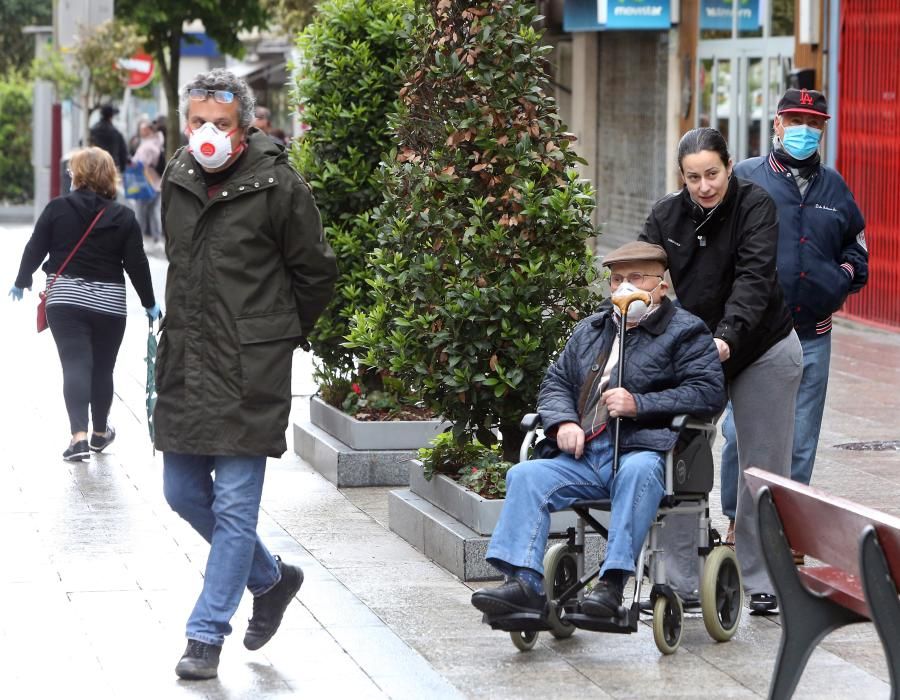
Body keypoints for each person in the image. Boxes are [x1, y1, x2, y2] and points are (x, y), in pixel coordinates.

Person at [155, 69, 337, 680]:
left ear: (246, 125)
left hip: (248, 367)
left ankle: (205, 635)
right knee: (180, 492)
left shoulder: (279, 185)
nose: (208, 134)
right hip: (188, 361)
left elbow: (315, 272)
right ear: (186, 123)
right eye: (198, 121)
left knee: (235, 508)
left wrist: (275, 335)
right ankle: (272, 578)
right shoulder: (177, 178)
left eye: (222, 124)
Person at [470, 241, 726, 619]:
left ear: (661, 286)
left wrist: (639, 403)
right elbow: (555, 383)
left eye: (636, 278)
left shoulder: (686, 332)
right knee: (526, 475)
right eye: (617, 279)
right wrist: (562, 422)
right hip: (585, 453)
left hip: (644, 450)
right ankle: (525, 582)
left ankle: (611, 584)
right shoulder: (591, 329)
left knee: (638, 472)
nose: (625, 287)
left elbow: (707, 391)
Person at [639, 127, 803, 615]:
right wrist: (637, 303)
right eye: (694, 177)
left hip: (760, 347)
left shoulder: (756, 206)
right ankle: (678, 580)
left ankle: (761, 578)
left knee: (761, 468)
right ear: (682, 178)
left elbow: (755, 278)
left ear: (730, 167)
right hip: (697, 351)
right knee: (681, 459)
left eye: (713, 173)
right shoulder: (665, 216)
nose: (705, 185)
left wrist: (727, 336)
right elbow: (644, 274)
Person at [717, 90, 869, 552]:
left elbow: (857, 252)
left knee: (800, 440)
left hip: (812, 334)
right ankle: (735, 519)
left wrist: (836, 279)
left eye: (814, 122)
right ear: (777, 125)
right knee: (738, 433)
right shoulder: (745, 177)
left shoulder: (835, 188)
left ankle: (788, 528)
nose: (805, 129)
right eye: (795, 120)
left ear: (823, 129)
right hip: (753, 335)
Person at [9, 147, 158, 460]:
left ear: (78, 175)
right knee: (102, 369)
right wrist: (149, 302)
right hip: (109, 303)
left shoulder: (57, 208)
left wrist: (22, 281)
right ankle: (100, 434)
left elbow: (35, 248)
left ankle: (78, 438)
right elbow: (136, 263)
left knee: (75, 364)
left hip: (65, 299)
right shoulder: (123, 216)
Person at [131, 120, 164, 244]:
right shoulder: (158, 142)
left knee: (140, 212)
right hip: (156, 183)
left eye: (143, 130)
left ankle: (138, 240)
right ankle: (157, 238)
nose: (141, 132)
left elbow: (140, 164)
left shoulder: (147, 146)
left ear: (149, 130)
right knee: (154, 211)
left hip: (145, 182)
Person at [89, 104, 129, 173]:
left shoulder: (93, 131)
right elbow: (123, 152)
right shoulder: (115, 132)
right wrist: (122, 168)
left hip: (95, 167)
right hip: (111, 167)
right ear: (111, 116)